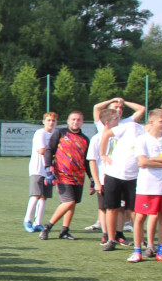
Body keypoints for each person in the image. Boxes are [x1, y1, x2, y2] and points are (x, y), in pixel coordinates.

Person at [127, 110, 162, 263]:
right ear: (152, 122)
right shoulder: (142, 139)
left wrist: (153, 160)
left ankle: (161, 252)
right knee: (140, 217)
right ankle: (137, 251)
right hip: (147, 187)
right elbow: (143, 162)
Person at [99, 100, 146, 247]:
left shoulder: (142, 129)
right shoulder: (128, 127)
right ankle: (111, 239)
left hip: (134, 177)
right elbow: (106, 135)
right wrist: (103, 154)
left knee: (134, 211)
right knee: (112, 208)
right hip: (114, 175)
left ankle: (141, 242)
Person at [40, 111, 90, 241]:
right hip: (62, 174)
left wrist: (92, 179)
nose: (75, 122)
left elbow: (87, 161)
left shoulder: (85, 139)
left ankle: (65, 230)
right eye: (73, 119)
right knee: (69, 201)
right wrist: (48, 167)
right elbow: (49, 149)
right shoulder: (61, 133)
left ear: (82, 122)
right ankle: (48, 227)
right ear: (68, 121)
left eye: (78, 120)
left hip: (78, 176)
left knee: (72, 204)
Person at [87, 109, 117, 246]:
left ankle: (118, 233)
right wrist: (97, 182)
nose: (118, 121)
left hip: (118, 177)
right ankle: (105, 234)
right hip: (104, 178)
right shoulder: (96, 138)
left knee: (119, 207)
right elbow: (92, 161)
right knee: (104, 207)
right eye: (115, 119)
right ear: (107, 122)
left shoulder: (119, 136)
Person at [24, 112, 57, 232]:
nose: (51, 123)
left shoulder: (55, 134)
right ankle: (27, 220)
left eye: (53, 121)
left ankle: (38, 222)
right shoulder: (40, 133)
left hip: (49, 171)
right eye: (48, 120)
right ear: (44, 121)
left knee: (44, 197)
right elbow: (42, 150)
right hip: (38, 169)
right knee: (36, 195)